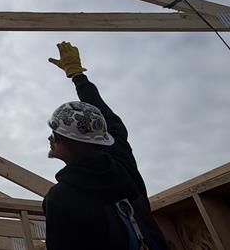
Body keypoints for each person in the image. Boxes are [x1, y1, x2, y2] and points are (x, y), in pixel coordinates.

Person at [42, 41, 168, 250]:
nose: (50, 139)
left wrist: (77, 76)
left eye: (55, 135)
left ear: (69, 143)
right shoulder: (122, 164)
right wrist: (78, 76)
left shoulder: (60, 198)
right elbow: (106, 119)